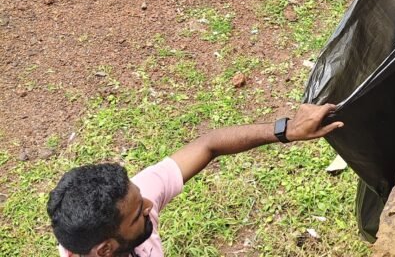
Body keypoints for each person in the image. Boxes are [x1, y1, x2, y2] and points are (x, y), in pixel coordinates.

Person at [47, 103, 343, 257]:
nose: (151, 204)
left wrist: (286, 130)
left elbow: (208, 145)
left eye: (141, 198)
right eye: (139, 213)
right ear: (106, 249)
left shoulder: (129, 205)